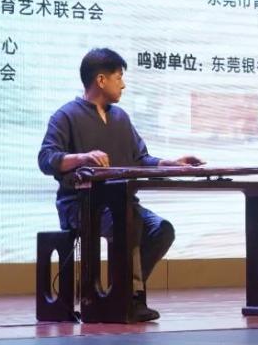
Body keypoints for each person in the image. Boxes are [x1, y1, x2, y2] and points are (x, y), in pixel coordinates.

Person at [37, 48, 204, 322]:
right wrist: (82, 157)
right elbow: (46, 159)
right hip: (81, 205)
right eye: (119, 78)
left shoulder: (121, 118)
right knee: (128, 222)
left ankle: (120, 292)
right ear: (101, 80)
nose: (123, 85)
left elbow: (140, 159)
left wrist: (171, 164)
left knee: (161, 230)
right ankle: (131, 297)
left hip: (122, 203)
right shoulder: (65, 116)